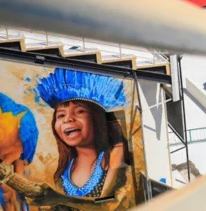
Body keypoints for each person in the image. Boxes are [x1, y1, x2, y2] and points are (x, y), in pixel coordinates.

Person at [33, 68, 133, 210]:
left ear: (97, 119)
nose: (68, 119)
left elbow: (108, 205)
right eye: (61, 115)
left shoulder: (113, 154)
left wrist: (58, 198)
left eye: (79, 111)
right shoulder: (63, 173)